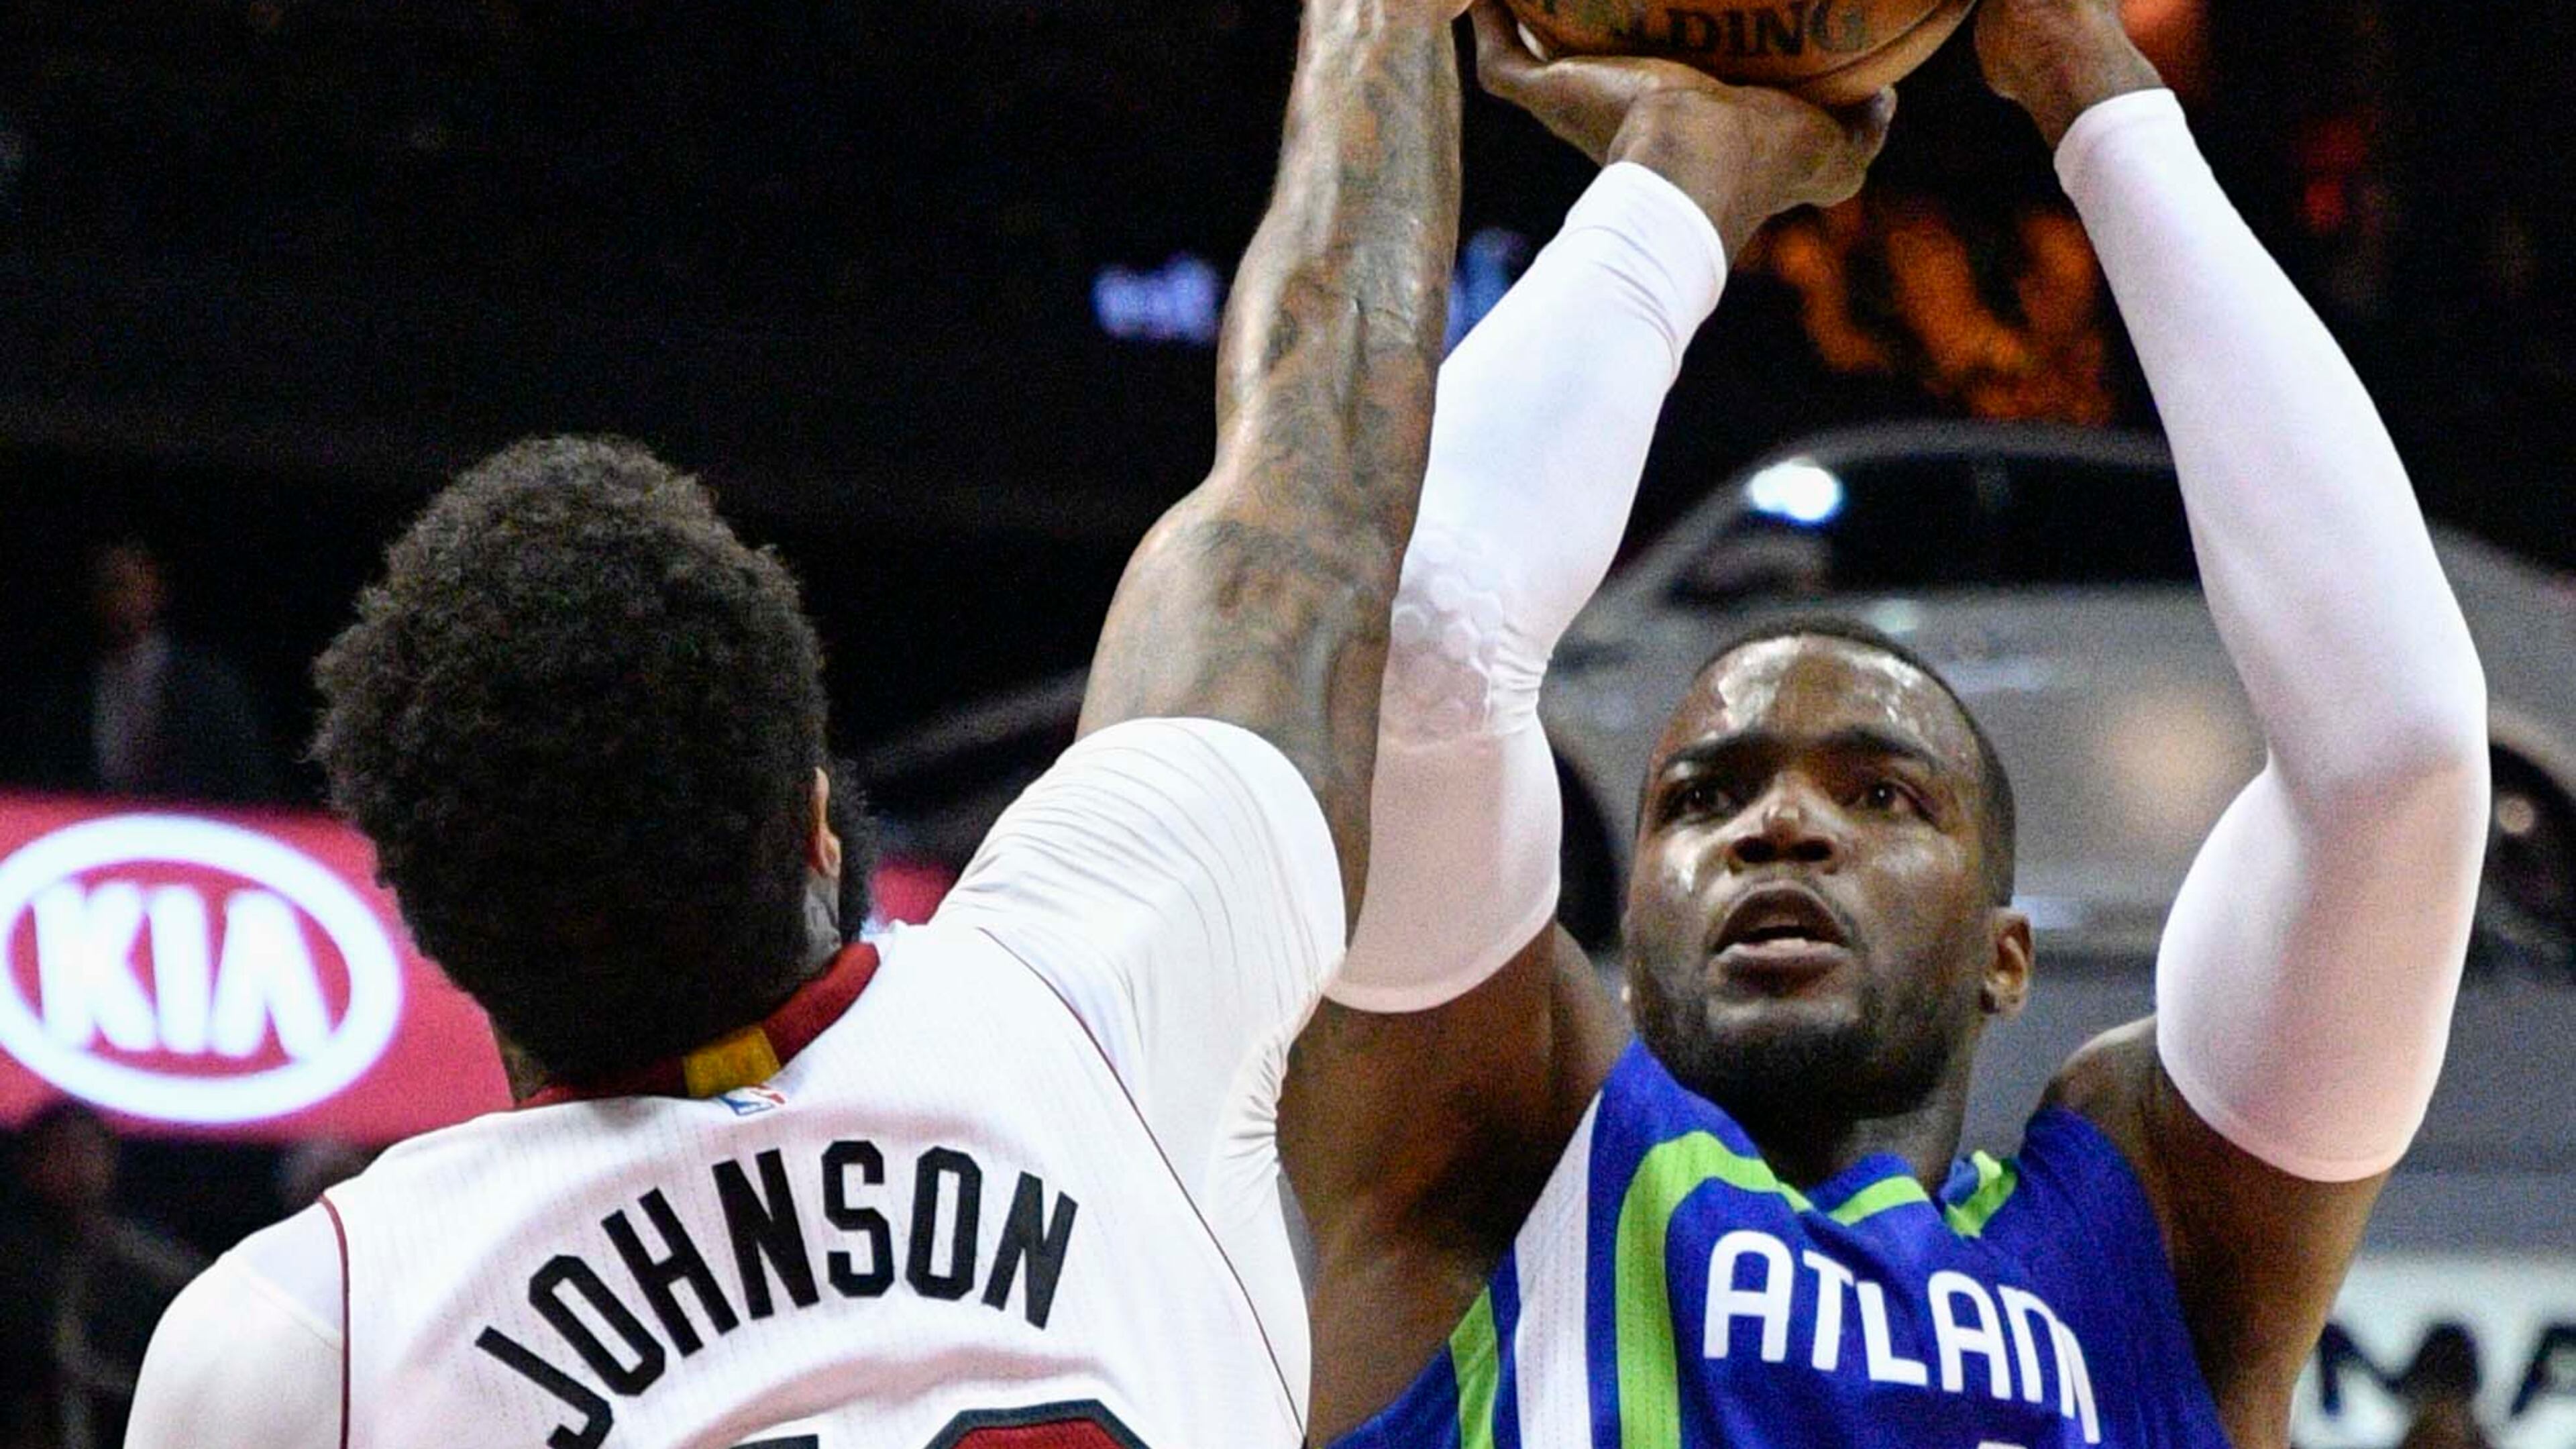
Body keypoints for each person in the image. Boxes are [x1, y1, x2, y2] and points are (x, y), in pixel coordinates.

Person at [125, 0, 1470, 1439]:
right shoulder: (1090, 999)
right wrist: (1386, 25)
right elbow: (1313, 483)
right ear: (816, 819)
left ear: (439, 938)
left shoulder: (302, 1342)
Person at [1281, 2, 2491, 1447]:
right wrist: (1680, 181)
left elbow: (2398, 757)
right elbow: (1421, 648)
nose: (1778, 823)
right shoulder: (1496, 1164)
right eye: (1701, 799)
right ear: (1631, 920)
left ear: (2007, 953)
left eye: (1883, 796)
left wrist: (2095, 92)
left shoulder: (2153, 1246)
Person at [11, 541, 284, 806]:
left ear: (155, 590)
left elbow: (249, 784)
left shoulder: (209, 687)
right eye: (108, 587)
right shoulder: (67, 697)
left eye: (127, 584)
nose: (120, 599)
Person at [0, 1104, 203, 1449]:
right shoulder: (13, 1265)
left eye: (88, 1151)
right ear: (32, 1166)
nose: (77, 1166)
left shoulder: (150, 1263)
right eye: (61, 1152)